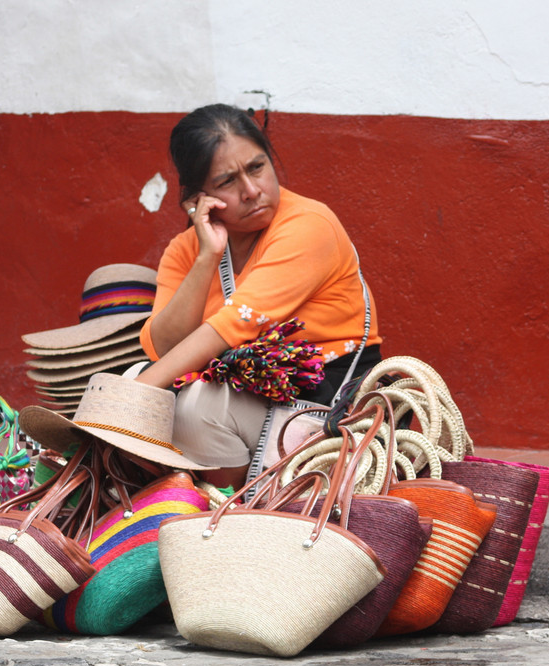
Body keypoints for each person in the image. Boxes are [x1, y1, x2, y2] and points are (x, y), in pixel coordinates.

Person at [135, 103, 381, 489]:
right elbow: (163, 349)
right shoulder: (186, 250)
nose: (252, 191)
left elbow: (230, 328)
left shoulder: (308, 225)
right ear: (197, 199)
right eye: (227, 181)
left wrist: (131, 401)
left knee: (193, 407)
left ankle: (241, 505)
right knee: (147, 382)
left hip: (324, 400)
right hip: (249, 392)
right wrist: (206, 258)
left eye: (257, 167)